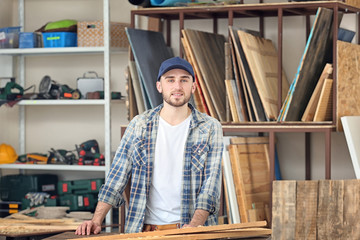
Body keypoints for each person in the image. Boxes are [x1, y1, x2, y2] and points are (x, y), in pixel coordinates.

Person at [75, 56, 224, 235]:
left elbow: (211, 186)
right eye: (170, 80)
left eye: (184, 80)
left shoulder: (209, 128)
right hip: (144, 232)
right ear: (159, 86)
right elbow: (116, 178)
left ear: (193, 87)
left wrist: (194, 227)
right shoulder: (139, 125)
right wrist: (96, 220)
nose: (177, 86)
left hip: (190, 232)